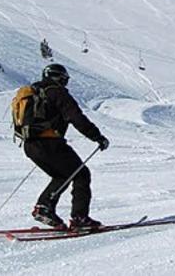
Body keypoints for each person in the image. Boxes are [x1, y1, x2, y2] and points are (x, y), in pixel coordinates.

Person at [24, 64, 110, 230]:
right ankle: (80, 219)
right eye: (65, 80)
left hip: (30, 145)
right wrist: (97, 137)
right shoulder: (57, 92)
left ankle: (44, 208)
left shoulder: (33, 93)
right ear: (60, 78)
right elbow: (76, 117)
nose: (65, 83)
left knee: (62, 175)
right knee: (81, 174)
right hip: (49, 143)